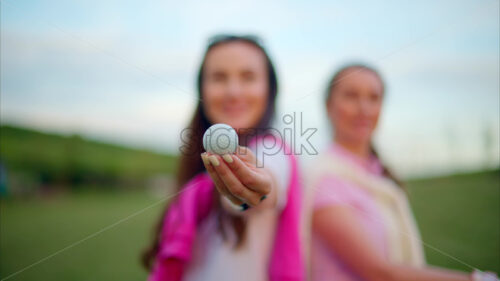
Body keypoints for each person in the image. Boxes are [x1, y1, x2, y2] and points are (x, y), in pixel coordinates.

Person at [306, 64, 498, 281]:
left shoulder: (378, 174)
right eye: (351, 96)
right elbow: (379, 272)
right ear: (329, 105)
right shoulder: (324, 178)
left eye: (374, 98)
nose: (364, 108)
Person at [142, 35, 304, 281]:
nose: (233, 91)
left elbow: (264, 184)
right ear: (202, 90)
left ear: (269, 89)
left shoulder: (273, 151)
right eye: (219, 77)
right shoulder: (196, 169)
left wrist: (249, 189)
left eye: (248, 77)